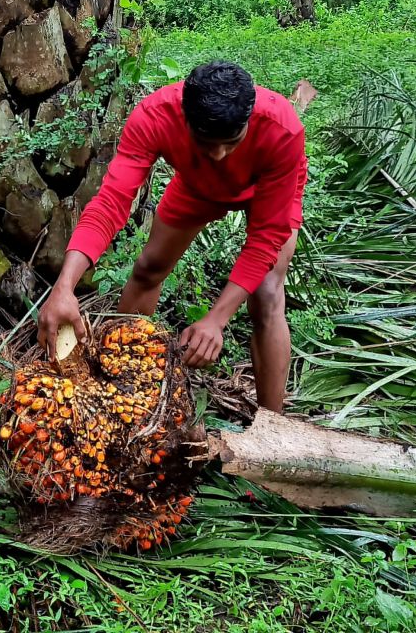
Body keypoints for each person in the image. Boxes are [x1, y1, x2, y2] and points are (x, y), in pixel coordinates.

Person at [37, 62, 308, 413]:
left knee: (267, 292)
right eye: (206, 142)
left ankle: (273, 427)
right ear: (184, 117)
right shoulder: (154, 116)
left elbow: (266, 237)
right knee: (149, 267)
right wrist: (64, 286)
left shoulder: (281, 129)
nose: (219, 155)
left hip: (267, 190)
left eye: (232, 142)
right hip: (197, 186)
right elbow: (110, 204)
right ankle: (126, 392)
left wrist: (216, 320)